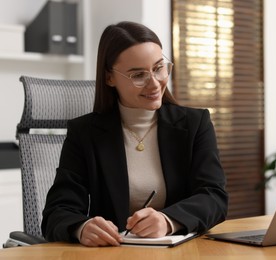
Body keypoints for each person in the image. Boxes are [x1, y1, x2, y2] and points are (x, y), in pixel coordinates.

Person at [41, 21, 229, 247]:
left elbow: (214, 197)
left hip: (183, 252)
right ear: (109, 77)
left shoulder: (195, 123)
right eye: (138, 75)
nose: (154, 84)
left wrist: (168, 220)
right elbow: (57, 211)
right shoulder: (85, 133)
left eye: (159, 68)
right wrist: (82, 227)